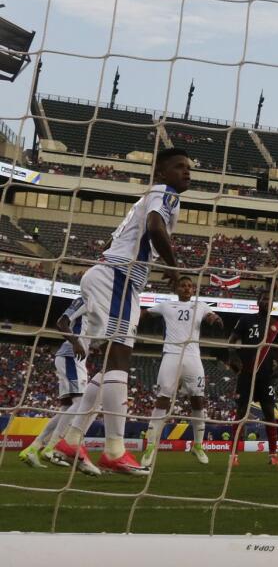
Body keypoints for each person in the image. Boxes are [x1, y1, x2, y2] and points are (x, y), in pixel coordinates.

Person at [55, 148, 191, 474]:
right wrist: (174, 270)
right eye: (179, 167)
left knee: (108, 368)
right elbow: (156, 227)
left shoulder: (154, 193)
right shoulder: (165, 193)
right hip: (118, 276)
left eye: (189, 168)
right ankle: (114, 449)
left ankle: (71, 440)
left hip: (119, 278)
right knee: (120, 358)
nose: (187, 172)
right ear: (161, 173)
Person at [141, 275, 223, 468]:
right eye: (183, 286)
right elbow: (145, 313)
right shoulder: (166, 305)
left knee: (198, 399)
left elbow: (211, 316)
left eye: (189, 286)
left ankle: (197, 445)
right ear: (176, 289)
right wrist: (134, 321)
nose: (187, 288)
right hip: (171, 355)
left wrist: (216, 319)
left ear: (193, 290)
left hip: (193, 357)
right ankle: (151, 446)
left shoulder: (200, 306)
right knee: (163, 398)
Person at [19, 299, 98, 473]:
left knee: (67, 407)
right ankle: (52, 447)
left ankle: (34, 447)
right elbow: (62, 323)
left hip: (73, 358)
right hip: (71, 357)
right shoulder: (85, 299)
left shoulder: (98, 304)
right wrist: (76, 343)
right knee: (82, 404)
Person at [228, 292, 278, 467]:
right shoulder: (245, 320)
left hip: (266, 375)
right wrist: (234, 359)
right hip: (247, 373)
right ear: (258, 302)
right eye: (264, 299)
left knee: (269, 413)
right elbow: (231, 342)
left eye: (269, 300)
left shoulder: (276, 324)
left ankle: (273, 454)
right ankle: (234, 455)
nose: (266, 301)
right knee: (241, 413)